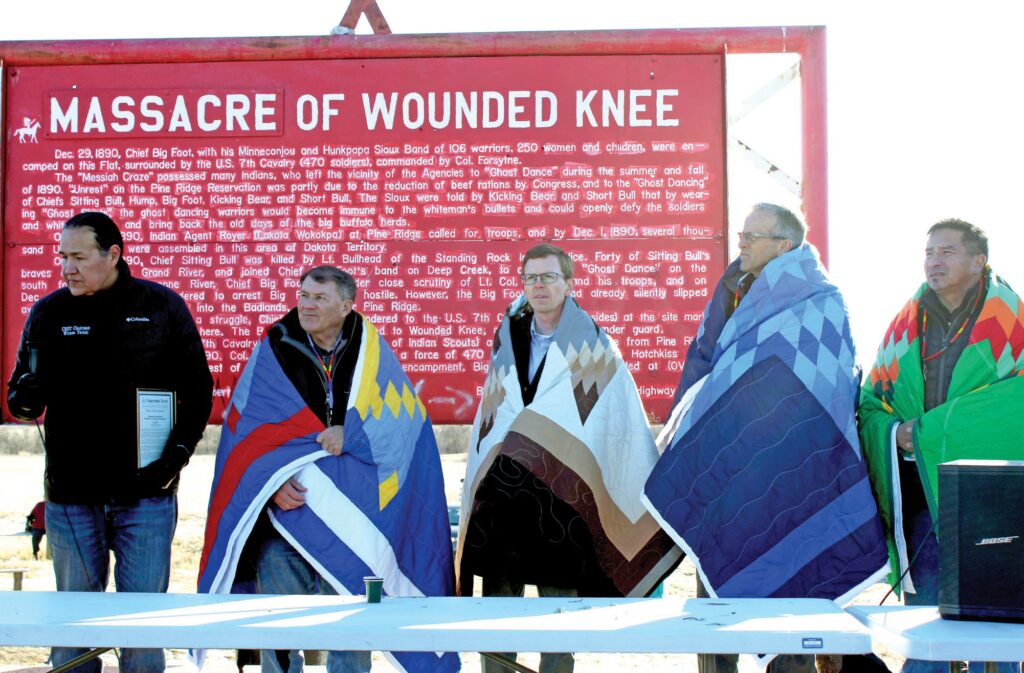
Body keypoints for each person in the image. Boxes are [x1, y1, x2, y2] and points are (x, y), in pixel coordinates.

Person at [643, 204, 889, 673]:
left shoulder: (821, 300)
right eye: (741, 233)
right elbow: (705, 362)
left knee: (791, 592)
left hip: (792, 467)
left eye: (752, 235)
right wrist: (690, 432)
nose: (742, 243)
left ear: (785, 245)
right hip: (723, 464)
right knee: (712, 604)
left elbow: (830, 383)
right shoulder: (731, 290)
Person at [198, 266, 458, 673]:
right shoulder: (274, 346)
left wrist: (351, 431)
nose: (306, 304)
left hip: (355, 523)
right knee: (280, 635)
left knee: (351, 636)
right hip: (286, 519)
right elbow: (242, 429)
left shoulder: (371, 350)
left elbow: (407, 423)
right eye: (303, 295)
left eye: (319, 298)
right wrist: (270, 485)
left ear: (346, 305)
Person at [457, 243, 680, 673]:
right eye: (531, 278)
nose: (538, 286)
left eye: (548, 277)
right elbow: (494, 418)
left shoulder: (594, 347)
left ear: (569, 284)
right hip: (503, 500)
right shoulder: (506, 341)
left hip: (562, 501)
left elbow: (616, 426)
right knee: (497, 617)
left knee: (559, 618)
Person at [6, 211, 213, 673]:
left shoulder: (161, 306)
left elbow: (198, 390)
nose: (67, 268)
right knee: (74, 626)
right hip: (71, 498)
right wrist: (26, 397)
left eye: (78, 256)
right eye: (62, 257)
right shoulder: (50, 312)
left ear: (114, 254)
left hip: (148, 495)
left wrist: (177, 457)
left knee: (141, 627)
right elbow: (19, 400)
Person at [860, 219, 1024, 673]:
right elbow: (873, 401)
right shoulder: (903, 327)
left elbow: (1016, 405)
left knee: (998, 628)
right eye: (930, 252)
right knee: (923, 626)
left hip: (995, 499)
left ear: (979, 261)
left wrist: (933, 431)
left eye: (948, 252)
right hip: (920, 498)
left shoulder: (1013, 324)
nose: (935, 261)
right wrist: (898, 434)